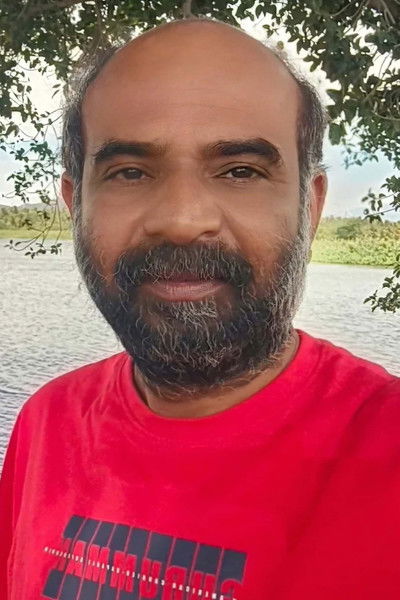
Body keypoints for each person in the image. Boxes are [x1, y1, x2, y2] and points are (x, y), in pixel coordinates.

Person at [0, 16, 399, 600]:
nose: (183, 220)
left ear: (309, 209)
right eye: (130, 172)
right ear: (75, 204)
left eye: (240, 171)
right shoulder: (45, 425)